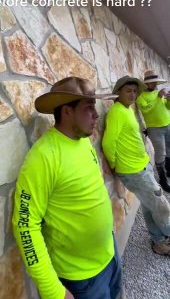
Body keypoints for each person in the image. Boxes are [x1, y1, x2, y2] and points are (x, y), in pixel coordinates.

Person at [12, 76, 122, 299]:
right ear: (67, 111)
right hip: (80, 280)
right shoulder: (43, 157)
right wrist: (53, 290)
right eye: (88, 108)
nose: (96, 115)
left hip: (110, 256)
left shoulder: (83, 140)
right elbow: (25, 225)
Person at [102, 75, 170, 256]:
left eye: (134, 91)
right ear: (118, 92)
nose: (132, 95)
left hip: (140, 166)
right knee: (160, 203)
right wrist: (115, 165)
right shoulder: (117, 112)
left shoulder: (126, 109)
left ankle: (159, 242)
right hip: (134, 171)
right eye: (128, 91)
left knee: (149, 205)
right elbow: (109, 142)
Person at [136, 69, 170, 192]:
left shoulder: (159, 92)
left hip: (168, 124)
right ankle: (162, 179)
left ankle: (169, 169)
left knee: (169, 148)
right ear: (146, 83)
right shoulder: (141, 97)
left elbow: (167, 107)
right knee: (161, 152)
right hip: (155, 129)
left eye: (156, 81)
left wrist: (169, 100)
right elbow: (146, 109)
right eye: (152, 82)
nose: (155, 84)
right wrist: (158, 98)